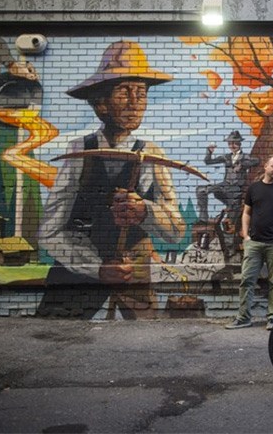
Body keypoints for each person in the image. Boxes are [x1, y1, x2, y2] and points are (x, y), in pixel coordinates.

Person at [38, 40, 185, 318]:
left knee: (147, 345)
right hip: (78, 271)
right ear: (100, 103)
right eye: (124, 92)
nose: (134, 103)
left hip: (133, 270)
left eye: (141, 93)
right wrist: (96, 267)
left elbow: (176, 229)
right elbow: (49, 231)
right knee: (53, 333)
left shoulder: (152, 155)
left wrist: (145, 212)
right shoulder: (80, 152)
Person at [225, 155, 273, 330]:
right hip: (254, 243)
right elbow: (247, 213)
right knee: (247, 281)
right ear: (265, 166)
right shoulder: (254, 188)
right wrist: (245, 236)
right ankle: (244, 318)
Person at [195, 130, 259, 225]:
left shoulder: (245, 156)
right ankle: (203, 219)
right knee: (201, 190)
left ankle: (232, 208)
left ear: (239, 143)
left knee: (232, 216)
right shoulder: (226, 157)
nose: (232, 146)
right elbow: (208, 161)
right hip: (225, 185)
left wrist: (242, 164)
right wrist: (209, 152)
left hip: (236, 189)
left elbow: (256, 161)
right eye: (230, 143)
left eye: (235, 143)